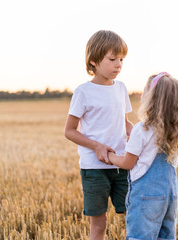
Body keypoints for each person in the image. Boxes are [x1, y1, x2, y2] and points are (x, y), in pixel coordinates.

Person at [103, 72, 178, 240]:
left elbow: (127, 163)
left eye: (144, 92)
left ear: (152, 99)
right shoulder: (174, 131)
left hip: (146, 197)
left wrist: (110, 156)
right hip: (170, 196)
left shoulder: (142, 129)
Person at [64, 30, 133, 240]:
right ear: (93, 61)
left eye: (121, 59)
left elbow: (124, 122)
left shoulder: (121, 88)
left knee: (132, 214)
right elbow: (69, 131)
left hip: (121, 164)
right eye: (112, 59)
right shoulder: (83, 92)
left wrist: (140, 136)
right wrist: (96, 146)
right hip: (94, 168)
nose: (118, 64)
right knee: (99, 223)